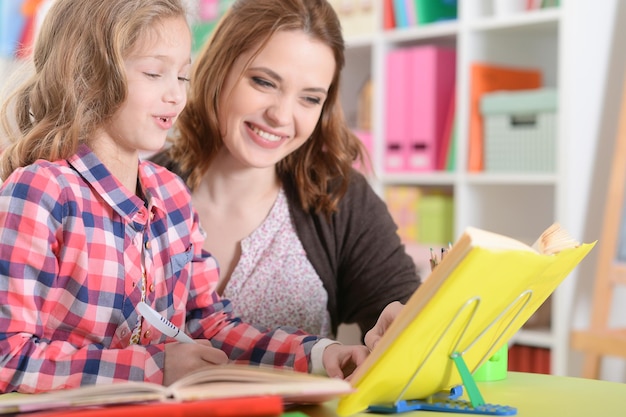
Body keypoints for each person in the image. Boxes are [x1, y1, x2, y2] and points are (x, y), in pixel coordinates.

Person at [0, 0, 369, 395]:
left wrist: (316, 354)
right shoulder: (41, 193)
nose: (176, 95)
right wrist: (153, 367)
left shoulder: (172, 195)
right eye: (155, 73)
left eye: (182, 76)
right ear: (88, 75)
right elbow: (8, 358)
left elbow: (206, 326)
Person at [151, 0, 420, 346]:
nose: (281, 115)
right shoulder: (140, 187)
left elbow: (402, 310)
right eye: (264, 82)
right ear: (219, 70)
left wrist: (407, 326)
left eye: (309, 99)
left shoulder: (339, 197)